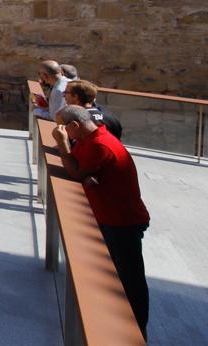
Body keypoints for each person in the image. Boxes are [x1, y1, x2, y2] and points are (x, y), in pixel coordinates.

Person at [52, 105, 150, 337]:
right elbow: (79, 170)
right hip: (110, 217)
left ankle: (137, 331)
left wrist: (65, 146)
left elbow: (75, 171)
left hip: (122, 220)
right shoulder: (91, 137)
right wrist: (83, 173)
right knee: (117, 274)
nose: (59, 131)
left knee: (130, 278)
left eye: (62, 127)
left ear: (74, 126)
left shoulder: (100, 144)